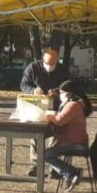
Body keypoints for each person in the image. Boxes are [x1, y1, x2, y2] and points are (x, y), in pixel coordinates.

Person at [20, 48, 70, 176]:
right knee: (36, 135)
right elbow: (24, 84)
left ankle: (54, 167)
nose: (50, 66)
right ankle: (35, 165)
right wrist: (33, 90)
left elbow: (69, 86)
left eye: (53, 64)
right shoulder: (33, 68)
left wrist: (58, 91)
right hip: (38, 106)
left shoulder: (63, 70)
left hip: (57, 107)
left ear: (57, 61)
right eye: (48, 64)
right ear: (42, 60)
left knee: (56, 135)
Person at [44, 80, 93, 192]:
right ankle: (70, 173)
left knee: (45, 155)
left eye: (62, 93)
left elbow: (59, 120)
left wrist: (47, 115)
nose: (60, 95)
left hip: (75, 144)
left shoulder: (73, 105)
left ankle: (70, 172)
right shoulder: (77, 102)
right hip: (76, 142)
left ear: (69, 93)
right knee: (47, 153)